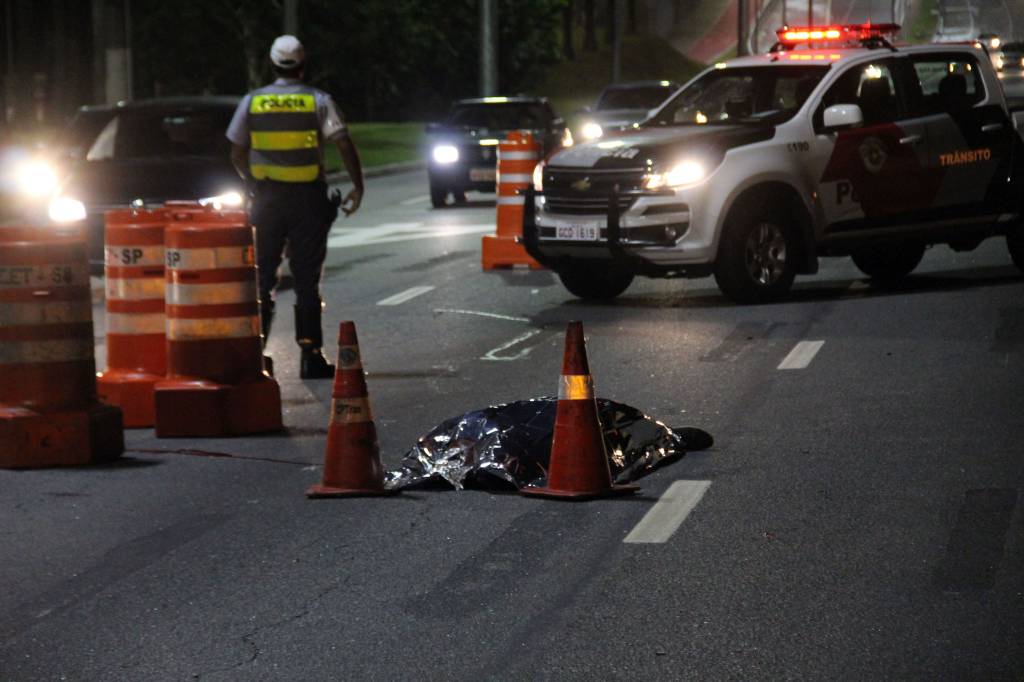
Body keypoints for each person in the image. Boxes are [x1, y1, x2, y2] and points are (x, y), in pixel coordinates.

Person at [226, 34, 364, 379]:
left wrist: (252, 182)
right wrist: (357, 186)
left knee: (261, 276)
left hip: (268, 199)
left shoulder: (253, 102)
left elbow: (236, 150)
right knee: (306, 277)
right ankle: (310, 353)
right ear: (303, 65)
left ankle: (255, 354)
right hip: (307, 200)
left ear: (272, 65)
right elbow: (343, 143)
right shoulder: (318, 100)